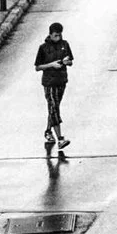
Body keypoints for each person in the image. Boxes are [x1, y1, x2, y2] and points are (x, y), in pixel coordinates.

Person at [34, 22, 74, 155]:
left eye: (60, 35)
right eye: (56, 35)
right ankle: (60, 139)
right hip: (49, 82)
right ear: (50, 35)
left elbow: (70, 61)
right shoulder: (43, 48)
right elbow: (38, 67)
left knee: (54, 108)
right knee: (54, 108)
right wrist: (51, 65)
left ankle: (48, 131)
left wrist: (67, 62)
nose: (58, 37)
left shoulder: (65, 44)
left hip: (61, 81)